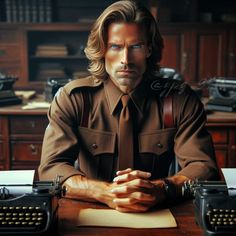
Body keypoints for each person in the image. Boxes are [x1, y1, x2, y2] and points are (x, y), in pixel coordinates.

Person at [39, 0, 219, 213]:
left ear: (149, 49)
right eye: (115, 46)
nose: (126, 59)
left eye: (136, 46)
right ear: (102, 49)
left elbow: (204, 167)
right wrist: (104, 191)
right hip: (89, 210)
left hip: (159, 209)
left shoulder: (179, 100)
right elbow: (51, 168)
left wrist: (161, 188)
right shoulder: (74, 98)